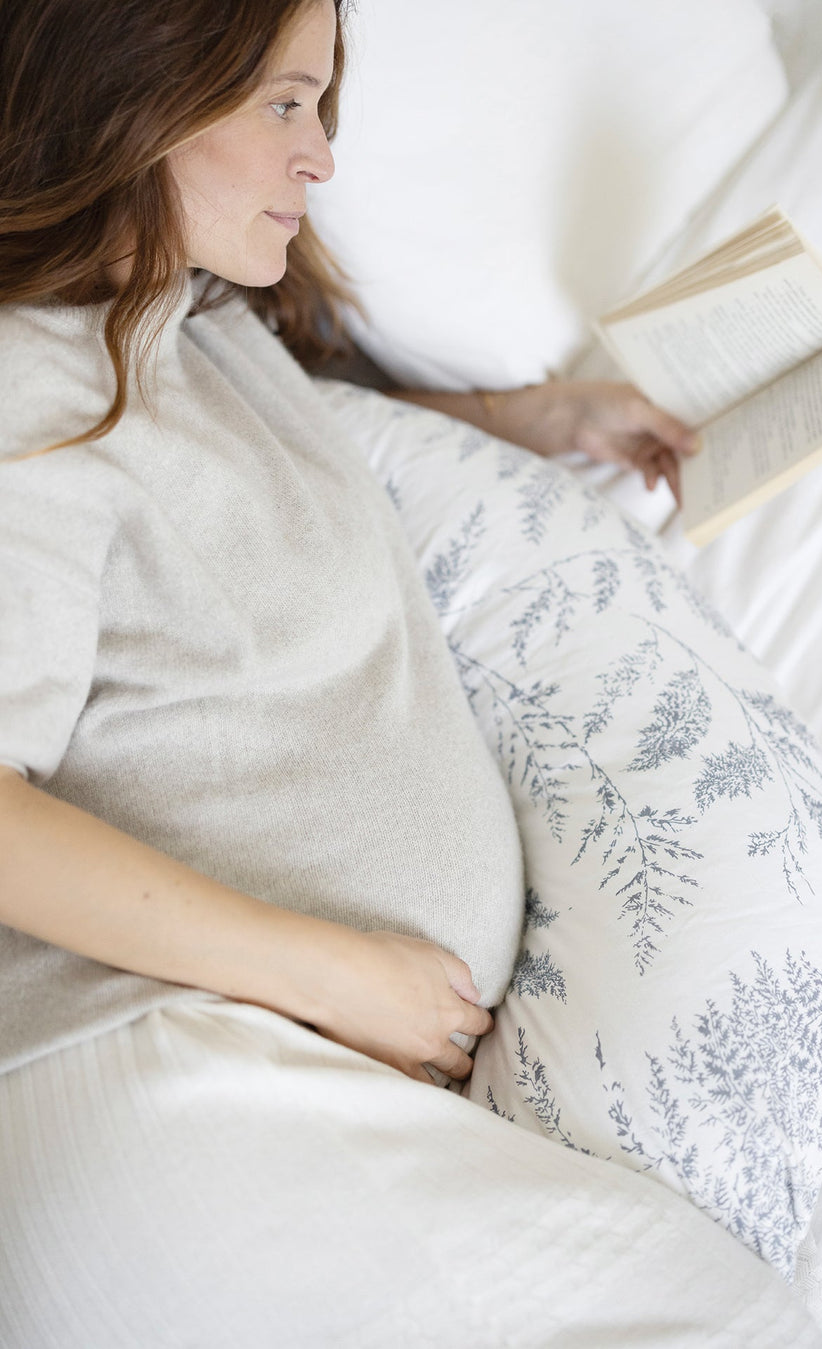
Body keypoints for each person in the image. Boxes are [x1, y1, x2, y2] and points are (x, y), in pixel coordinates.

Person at [0, 3, 737, 1344]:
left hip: (267, 1089)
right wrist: (328, 974)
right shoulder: (27, 384)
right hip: (179, 1088)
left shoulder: (196, 320)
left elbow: (301, 448)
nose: (323, 158)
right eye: (285, 105)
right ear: (138, 94)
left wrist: (529, 422)